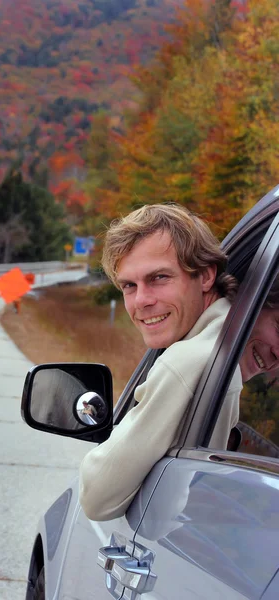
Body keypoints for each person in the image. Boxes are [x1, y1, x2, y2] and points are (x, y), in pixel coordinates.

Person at [79, 203, 242, 522]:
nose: (141, 300)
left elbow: (97, 499)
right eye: (129, 285)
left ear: (206, 275)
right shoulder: (230, 336)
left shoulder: (188, 359)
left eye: (159, 278)